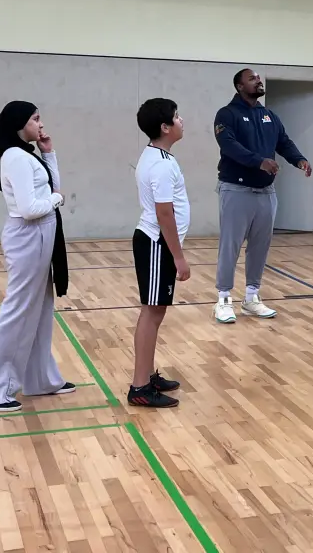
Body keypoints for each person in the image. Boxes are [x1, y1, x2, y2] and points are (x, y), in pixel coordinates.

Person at [0, 101, 73, 412]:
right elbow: (30, 208)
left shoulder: (27, 154)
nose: (41, 124)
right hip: (29, 236)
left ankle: (40, 379)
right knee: (18, 311)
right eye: (35, 119)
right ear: (19, 124)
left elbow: (50, 187)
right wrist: (57, 199)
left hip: (41, 233)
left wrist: (49, 153)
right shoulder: (14, 157)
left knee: (41, 308)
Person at [212, 68, 312, 323]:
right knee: (230, 246)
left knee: (259, 247)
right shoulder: (227, 114)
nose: (258, 81)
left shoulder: (269, 115)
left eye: (259, 77)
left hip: (266, 192)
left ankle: (251, 298)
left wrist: (299, 160)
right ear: (239, 86)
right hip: (236, 188)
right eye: (252, 78)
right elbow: (229, 146)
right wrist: (259, 162)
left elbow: (284, 142)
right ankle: (223, 299)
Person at [127, 98, 190, 408]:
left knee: (155, 311)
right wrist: (178, 256)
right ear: (165, 127)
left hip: (157, 244)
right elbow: (165, 213)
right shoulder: (162, 164)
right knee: (152, 313)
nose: (182, 120)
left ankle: (147, 375)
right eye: (177, 117)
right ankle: (139, 387)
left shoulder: (159, 156)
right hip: (156, 243)